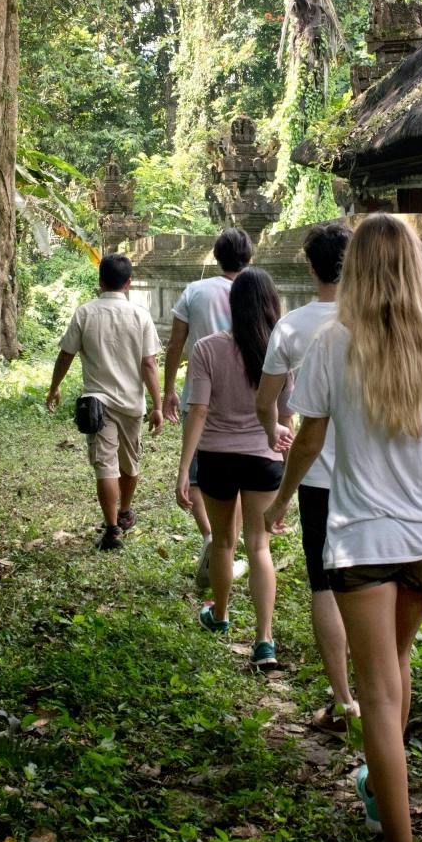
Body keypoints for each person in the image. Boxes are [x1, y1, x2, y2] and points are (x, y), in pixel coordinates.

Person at [267, 214, 422, 842]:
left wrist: (278, 504)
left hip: (364, 541)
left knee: (381, 696)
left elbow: (307, 444)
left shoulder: (334, 345)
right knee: (396, 665)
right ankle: (377, 781)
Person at [254, 220, 359, 731]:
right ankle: (382, 697)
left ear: (310, 266)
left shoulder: (293, 326)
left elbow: (265, 399)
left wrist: (275, 428)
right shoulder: (381, 319)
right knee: (372, 584)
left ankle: (343, 699)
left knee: (325, 585)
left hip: (317, 479)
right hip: (375, 478)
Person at [177, 267, 290, 670]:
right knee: (259, 546)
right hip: (265, 457)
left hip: (217, 457)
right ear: (270, 303)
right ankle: (264, 641)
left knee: (224, 542)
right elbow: (287, 418)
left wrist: (183, 468)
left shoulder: (206, 348)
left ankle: (220, 617)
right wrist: (289, 470)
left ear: (231, 303)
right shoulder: (280, 350)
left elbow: (199, 409)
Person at [45, 252, 163, 551]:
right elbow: (149, 364)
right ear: (129, 283)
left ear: (100, 281)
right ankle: (124, 511)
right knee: (130, 462)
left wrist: (54, 387)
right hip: (132, 405)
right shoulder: (141, 316)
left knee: (105, 466)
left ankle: (112, 529)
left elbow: (66, 354)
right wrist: (158, 406)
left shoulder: (85, 313)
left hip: (97, 403)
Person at [163, 227, 255, 590]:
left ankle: (212, 537)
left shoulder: (195, 291)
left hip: (199, 394)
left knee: (199, 477)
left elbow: (175, 344)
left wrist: (169, 389)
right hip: (245, 397)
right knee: (234, 477)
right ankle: (224, 546)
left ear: (216, 257)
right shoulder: (255, 291)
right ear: (248, 257)